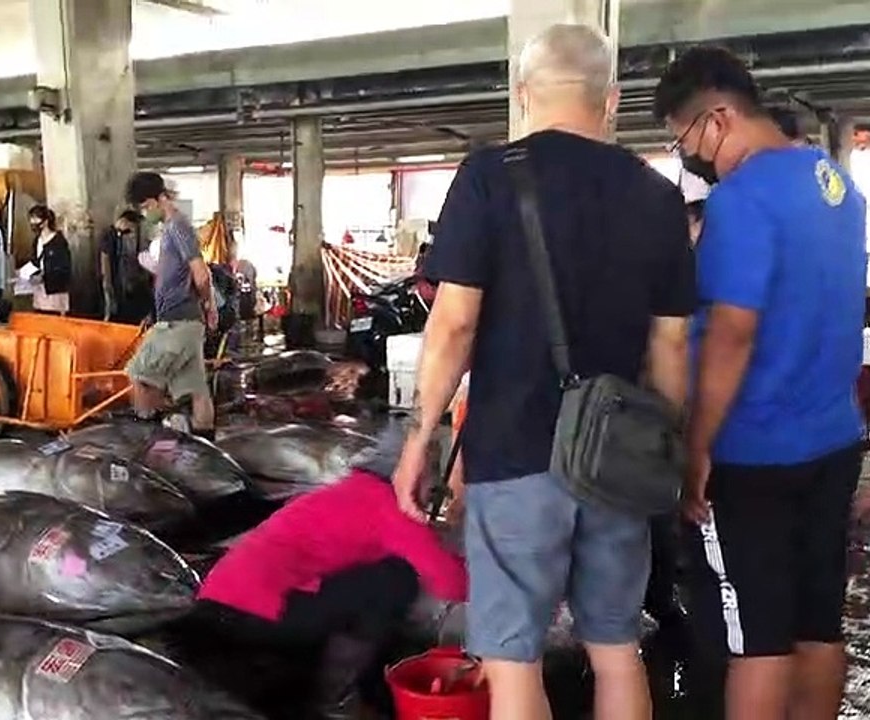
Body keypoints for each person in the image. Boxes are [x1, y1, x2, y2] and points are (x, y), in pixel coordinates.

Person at [392, 24, 695, 720]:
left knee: (513, 654)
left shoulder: (489, 177)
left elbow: (455, 324)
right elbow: (671, 348)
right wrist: (666, 451)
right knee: (617, 647)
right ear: (611, 100)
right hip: (617, 456)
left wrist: (421, 439)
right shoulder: (658, 198)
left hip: (515, 450)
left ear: (523, 95)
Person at [653, 46, 866, 720]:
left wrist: (697, 448)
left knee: (757, 641)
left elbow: (731, 333)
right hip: (833, 441)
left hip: (754, 454)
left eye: (682, 138)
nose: (688, 155)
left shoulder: (741, 200)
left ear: (717, 119)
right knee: (818, 625)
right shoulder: (835, 185)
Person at [185, 425, 467, 717]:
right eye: (432, 476)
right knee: (394, 581)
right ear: (411, 471)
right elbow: (451, 584)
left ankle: (369, 690)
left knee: (381, 582)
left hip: (223, 599)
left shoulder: (355, 489)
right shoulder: (388, 505)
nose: (433, 489)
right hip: (251, 611)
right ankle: (336, 702)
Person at [123, 172, 218, 439]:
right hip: (183, 321)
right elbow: (178, 274)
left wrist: (210, 306)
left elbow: (201, 273)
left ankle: (148, 443)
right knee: (196, 389)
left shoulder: (177, 225)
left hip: (178, 322)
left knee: (139, 376)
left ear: (159, 198)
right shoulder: (172, 227)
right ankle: (206, 451)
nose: (144, 213)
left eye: (145, 206)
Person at [99, 210, 149, 324]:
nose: (132, 231)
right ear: (124, 221)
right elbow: (105, 260)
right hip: (113, 282)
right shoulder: (109, 235)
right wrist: (107, 284)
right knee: (112, 312)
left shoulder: (122, 235)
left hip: (125, 283)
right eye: (131, 226)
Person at [27, 205, 71, 315]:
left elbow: (64, 267)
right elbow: (35, 262)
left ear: (45, 221)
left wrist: (46, 276)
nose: (32, 222)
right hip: (39, 291)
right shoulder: (37, 241)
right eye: (31, 219)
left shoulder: (58, 242)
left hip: (54, 292)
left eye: (35, 219)